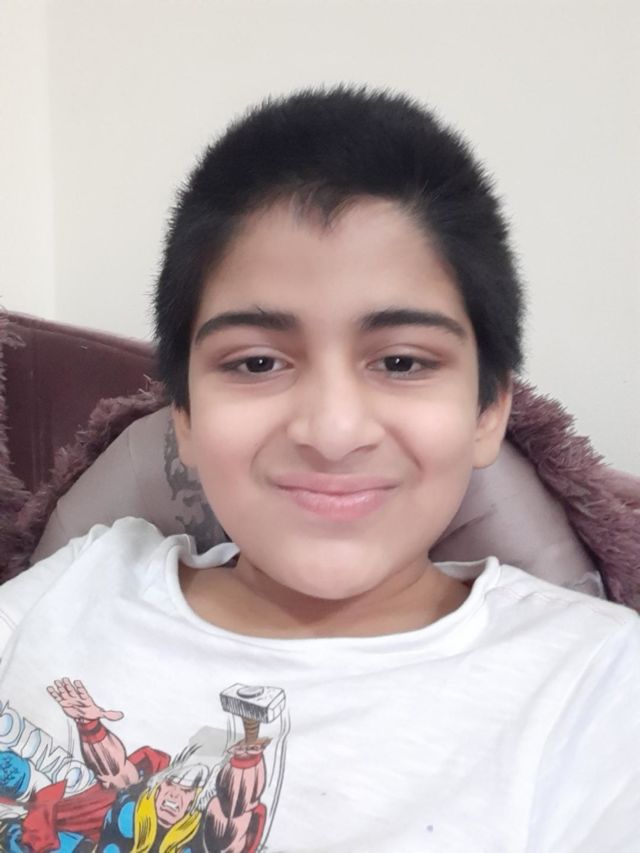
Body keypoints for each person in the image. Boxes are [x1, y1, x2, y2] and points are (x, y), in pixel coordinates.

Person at [0, 85, 638, 852]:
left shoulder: (597, 685)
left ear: (488, 410)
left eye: (401, 361)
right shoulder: (69, 588)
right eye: (257, 362)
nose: (332, 432)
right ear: (186, 417)